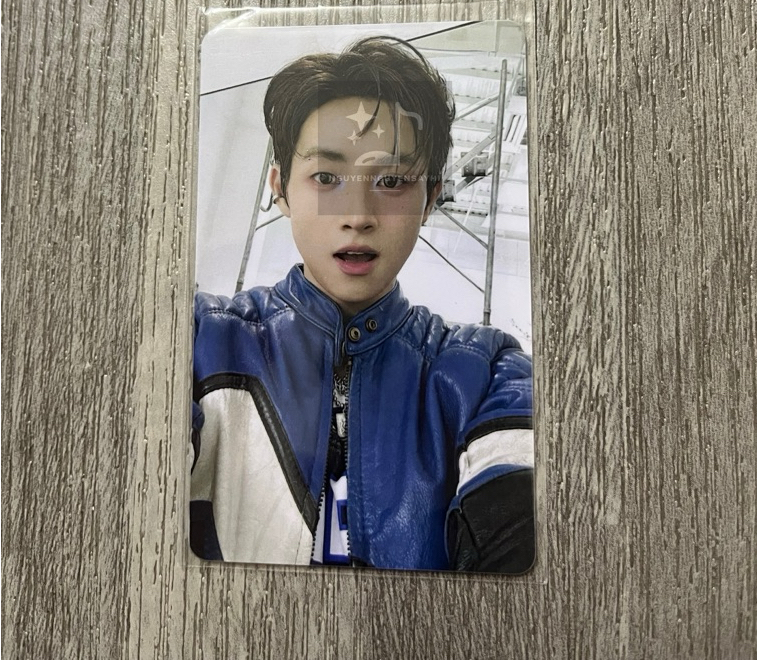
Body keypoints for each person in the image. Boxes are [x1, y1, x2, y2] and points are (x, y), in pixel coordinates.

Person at [190, 35, 534, 571]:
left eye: (391, 181)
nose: (357, 215)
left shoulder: (488, 372)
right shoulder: (196, 340)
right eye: (327, 177)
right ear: (281, 189)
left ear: (430, 197)